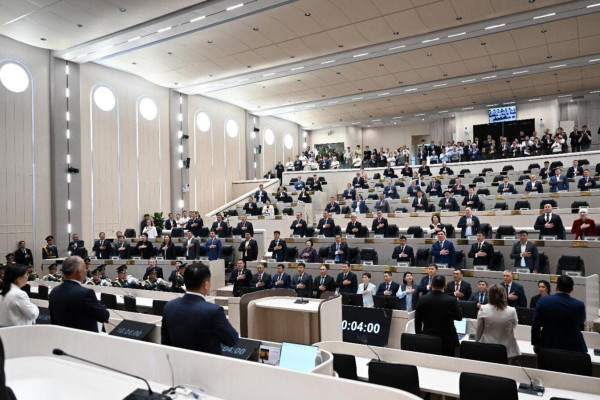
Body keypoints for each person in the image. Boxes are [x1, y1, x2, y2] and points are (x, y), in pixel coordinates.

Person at [162, 264, 238, 354]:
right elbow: (232, 340)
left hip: (177, 361)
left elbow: (165, 342)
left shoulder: (169, 306)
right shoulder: (214, 311)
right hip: (207, 362)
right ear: (206, 285)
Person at [48, 256, 110, 332]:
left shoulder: (54, 291)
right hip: (84, 338)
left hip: (62, 336)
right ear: (79, 271)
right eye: (84, 268)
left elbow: (53, 321)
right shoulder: (86, 294)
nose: (86, 271)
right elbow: (104, 316)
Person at [531, 275, 587, 354]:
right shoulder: (579, 305)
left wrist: (535, 343)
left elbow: (535, 325)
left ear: (556, 287)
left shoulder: (543, 301)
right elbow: (581, 322)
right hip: (573, 346)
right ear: (572, 289)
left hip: (548, 344)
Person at [415, 275, 462, 356]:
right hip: (447, 340)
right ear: (445, 285)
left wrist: (419, 336)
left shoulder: (422, 299)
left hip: (428, 337)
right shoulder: (451, 300)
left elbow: (417, 320)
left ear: (431, 285)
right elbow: (459, 317)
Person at [476, 284, 520, 361]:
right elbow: (514, 325)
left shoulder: (483, 308)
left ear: (489, 295)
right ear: (504, 295)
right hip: (507, 349)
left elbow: (479, 329)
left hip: (487, 346)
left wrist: (476, 343)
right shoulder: (512, 310)